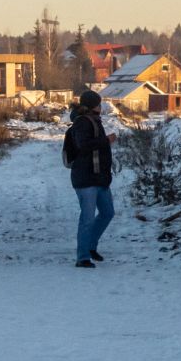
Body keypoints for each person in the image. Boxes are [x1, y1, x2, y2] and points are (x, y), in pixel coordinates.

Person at [63, 90, 118, 268]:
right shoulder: (82, 123)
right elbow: (84, 146)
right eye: (98, 104)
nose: (100, 107)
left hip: (99, 177)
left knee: (107, 212)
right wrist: (107, 140)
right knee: (87, 218)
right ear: (92, 105)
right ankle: (83, 257)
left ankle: (90, 246)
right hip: (86, 178)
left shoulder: (93, 121)